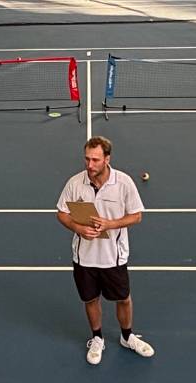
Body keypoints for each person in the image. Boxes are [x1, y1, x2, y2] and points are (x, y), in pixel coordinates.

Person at [56, 136, 153, 366]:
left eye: (95, 160)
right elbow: (61, 212)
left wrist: (110, 224)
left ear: (107, 159)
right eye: (87, 159)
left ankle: (127, 336)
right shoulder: (75, 183)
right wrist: (78, 227)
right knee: (90, 299)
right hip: (84, 257)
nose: (90, 165)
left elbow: (137, 215)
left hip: (114, 256)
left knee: (123, 299)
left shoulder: (124, 183)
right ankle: (97, 338)